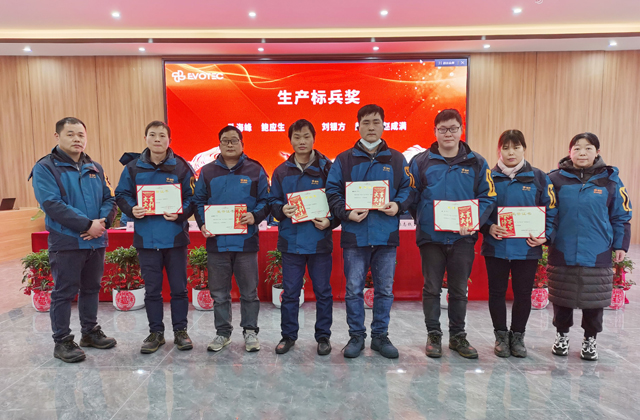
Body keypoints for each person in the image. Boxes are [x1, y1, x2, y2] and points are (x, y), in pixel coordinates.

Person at [326, 104, 413, 359]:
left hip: (386, 236)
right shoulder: (344, 159)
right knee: (353, 289)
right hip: (355, 235)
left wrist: (398, 205)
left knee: (384, 290)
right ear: (358, 126)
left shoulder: (397, 159)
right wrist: (346, 213)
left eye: (376, 122)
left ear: (384, 125)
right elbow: (332, 191)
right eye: (366, 122)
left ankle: (380, 336)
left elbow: (408, 189)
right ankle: (356, 336)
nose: (371, 127)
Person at [409, 108, 496, 359]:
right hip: (431, 238)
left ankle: (458, 336)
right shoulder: (420, 161)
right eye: (443, 129)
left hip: (463, 238)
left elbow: (488, 196)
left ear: (461, 130)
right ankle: (433, 335)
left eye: (453, 128)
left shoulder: (477, 162)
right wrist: (425, 219)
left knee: (459, 289)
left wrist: (474, 222)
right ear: (435, 131)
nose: (448, 133)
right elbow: (412, 197)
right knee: (431, 288)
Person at [30, 117, 117, 363]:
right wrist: (87, 225)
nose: (77, 139)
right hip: (67, 241)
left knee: (92, 288)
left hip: (96, 240)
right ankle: (62, 341)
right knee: (64, 292)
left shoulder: (95, 168)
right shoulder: (45, 168)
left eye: (81, 134)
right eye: (70, 134)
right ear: (57, 136)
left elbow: (109, 198)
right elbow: (51, 204)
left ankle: (89, 332)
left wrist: (102, 223)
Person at [547, 132, 632, 361]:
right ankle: (562, 335)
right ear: (570, 152)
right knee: (562, 297)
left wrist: (620, 245)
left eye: (588, 148)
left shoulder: (610, 180)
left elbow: (621, 215)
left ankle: (590, 340)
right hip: (563, 249)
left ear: (597, 152)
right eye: (577, 148)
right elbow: (547, 213)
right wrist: (546, 238)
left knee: (594, 299)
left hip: (598, 251)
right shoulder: (554, 179)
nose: (582, 153)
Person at [115, 121, 196, 354]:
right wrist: (132, 209)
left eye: (162, 135)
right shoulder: (133, 167)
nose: (157, 139)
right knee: (152, 290)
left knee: (179, 289)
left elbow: (193, 197)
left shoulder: (182, 166)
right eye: (153, 135)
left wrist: (181, 213)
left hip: (175, 237)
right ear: (145, 139)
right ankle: (156, 333)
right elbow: (121, 194)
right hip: (146, 238)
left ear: (169, 140)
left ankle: (181, 331)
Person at [480, 130, 557, 358]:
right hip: (496, 247)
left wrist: (545, 236)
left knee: (523, 294)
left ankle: (518, 337)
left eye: (516, 147)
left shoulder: (540, 178)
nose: (511, 152)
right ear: (499, 150)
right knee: (496, 293)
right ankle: (501, 337)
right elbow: (479, 209)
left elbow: (552, 210)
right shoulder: (488, 178)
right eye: (505, 148)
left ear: (524, 148)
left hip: (527, 248)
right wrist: (488, 227)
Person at [193, 126, 270, 353]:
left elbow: (266, 201)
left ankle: (250, 331)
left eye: (234, 140)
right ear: (219, 145)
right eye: (225, 140)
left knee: (249, 292)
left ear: (242, 144)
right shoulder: (207, 172)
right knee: (219, 293)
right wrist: (203, 223)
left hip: (246, 242)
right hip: (217, 242)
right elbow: (198, 201)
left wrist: (254, 216)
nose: (229, 144)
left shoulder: (255, 169)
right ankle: (222, 333)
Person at [269, 119, 339, 356]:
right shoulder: (281, 171)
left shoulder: (328, 169)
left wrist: (331, 221)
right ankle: (288, 336)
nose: (302, 141)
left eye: (306, 136)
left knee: (323, 292)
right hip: (291, 242)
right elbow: (273, 202)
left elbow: (337, 201)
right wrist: (281, 209)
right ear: (290, 140)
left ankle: (323, 336)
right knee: (290, 293)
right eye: (297, 137)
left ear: (314, 139)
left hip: (319, 241)